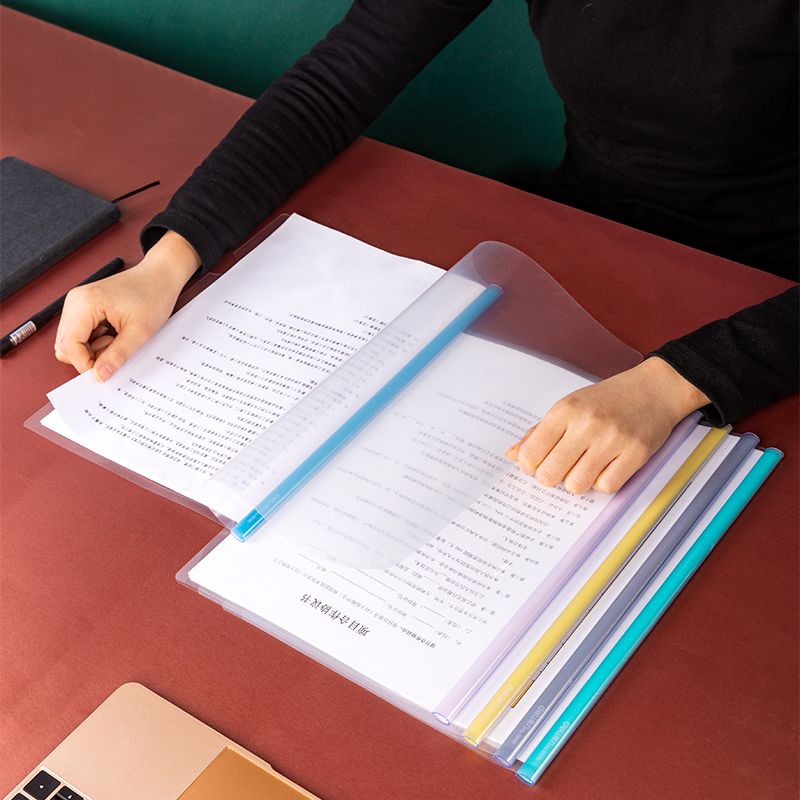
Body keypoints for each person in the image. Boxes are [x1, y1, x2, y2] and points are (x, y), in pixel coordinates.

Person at [54, 0, 799, 495]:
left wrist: (676, 383)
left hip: (770, 305)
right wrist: (169, 260)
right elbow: (339, 81)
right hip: (582, 241)